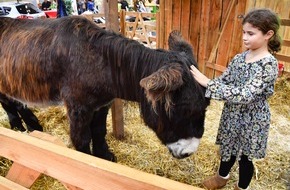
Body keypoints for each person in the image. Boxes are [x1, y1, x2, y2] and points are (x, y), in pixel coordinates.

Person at [190, 8, 281, 190]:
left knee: (246, 158)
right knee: (227, 149)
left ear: (268, 34)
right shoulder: (239, 59)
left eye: (251, 33)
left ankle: (242, 187)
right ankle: (221, 177)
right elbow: (224, 81)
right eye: (243, 32)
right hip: (232, 113)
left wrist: (209, 83)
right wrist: (199, 84)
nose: (244, 37)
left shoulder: (268, 65)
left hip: (253, 119)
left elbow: (246, 94)